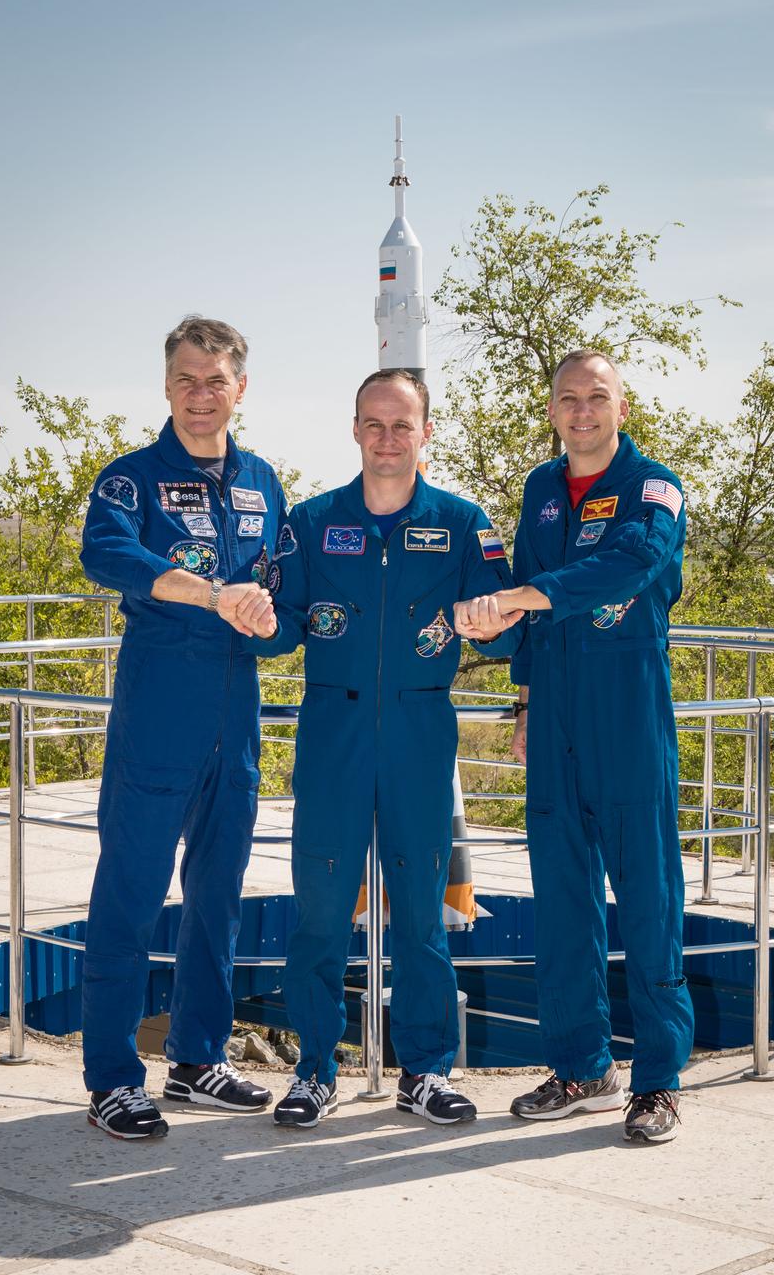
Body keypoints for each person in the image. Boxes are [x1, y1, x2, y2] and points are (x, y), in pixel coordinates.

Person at [258, 369, 522, 1127]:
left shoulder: (464, 522)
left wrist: (493, 624)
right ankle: (313, 1068)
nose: (386, 439)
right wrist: (252, 616)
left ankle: (427, 1071)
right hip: (332, 733)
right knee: (318, 911)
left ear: (425, 433)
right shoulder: (309, 523)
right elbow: (283, 629)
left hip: (418, 736)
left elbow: (504, 637)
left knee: (419, 915)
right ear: (353, 430)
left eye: (401, 425)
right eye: (373, 424)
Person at [454, 350, 694, 1144]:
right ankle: (583, 1065)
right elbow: (523, 587)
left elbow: (632, 563)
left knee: (649, 897)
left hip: (626, 708)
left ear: (621, 406)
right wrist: (522, 694)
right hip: (552, 708)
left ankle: (657, 1081)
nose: (582, 411)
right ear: (551, 409)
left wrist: (520, 598)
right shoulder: (539, 490)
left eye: (597, 397)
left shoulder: (653, 485)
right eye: (568, 399)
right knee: (560, 897)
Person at [80, 315, 285, 1139]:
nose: (201, 396)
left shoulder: (264, 480)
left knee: (217, 895)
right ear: (167, 388)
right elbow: (107, 556)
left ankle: (198, 1057)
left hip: (235, 714)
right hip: (158, 707)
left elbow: (284, 581)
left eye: (217, 380)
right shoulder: (131, 479)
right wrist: (206, 594)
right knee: (129, 893)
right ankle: (111, 1078)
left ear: (241, 387)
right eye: (186, 380)